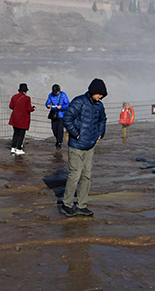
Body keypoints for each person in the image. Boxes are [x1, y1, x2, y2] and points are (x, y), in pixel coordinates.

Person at [60, 78, 108, 217]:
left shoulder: (99, 106)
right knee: (75, 174)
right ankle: (67, 204)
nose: (100, 97)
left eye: (102, 95)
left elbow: (103, 120)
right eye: (99, 94)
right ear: (93, 91)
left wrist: (100, 133)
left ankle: (82, 205)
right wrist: (76, 134)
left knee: (86, 176)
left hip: (90, 146)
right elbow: (67, 118)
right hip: (76, 146)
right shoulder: (79, 101)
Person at [8, 83, 36, 155]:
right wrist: (34, 107)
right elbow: (29, 109)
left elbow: (11, 106)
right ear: (25, 91)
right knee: (21, 134)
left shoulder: (14, 97)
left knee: (16, 133)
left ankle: (13, 147)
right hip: (22, 119)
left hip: (14, 118)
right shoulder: (27, 98)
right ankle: (19, 148)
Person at [46, 84, 70, 150]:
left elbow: (68, 104)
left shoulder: (63, 95)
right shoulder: (50, 95)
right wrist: (48, 105)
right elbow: (47, 102)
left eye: (56, 92)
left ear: (59, 91)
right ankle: (57, 139)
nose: (55, 93)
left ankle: (59, 142)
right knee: (54, 128)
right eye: (54, 92)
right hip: (54, 114)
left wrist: (61, 107)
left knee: (60, 129)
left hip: (61, 115)